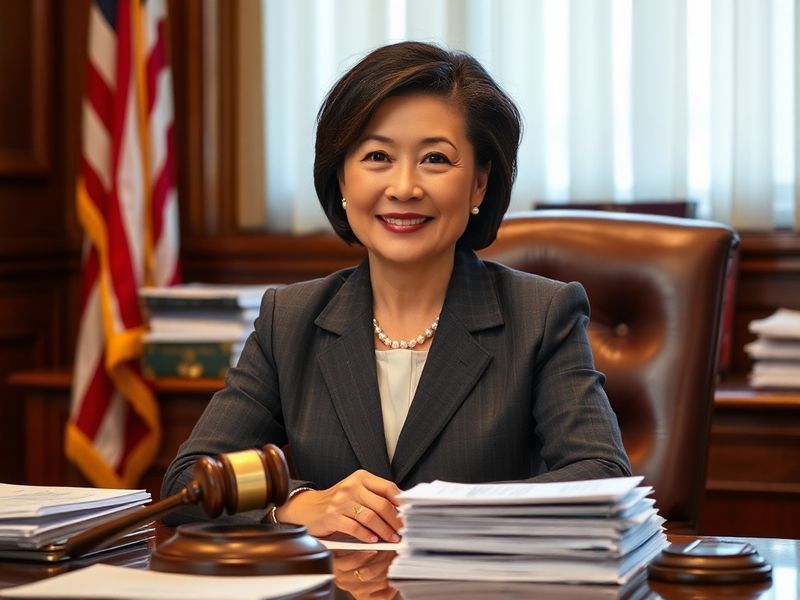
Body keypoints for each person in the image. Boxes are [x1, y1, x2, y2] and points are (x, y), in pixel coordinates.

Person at [161, 41, 631, 543]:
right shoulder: (291, 319)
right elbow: (189, 482)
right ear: (342, 178)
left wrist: (448, 515)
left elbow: (601, 474)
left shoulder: (541, 315)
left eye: (435, 159)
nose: (404, 187)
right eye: (378, 156)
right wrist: (295, 505)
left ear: (478, 184)